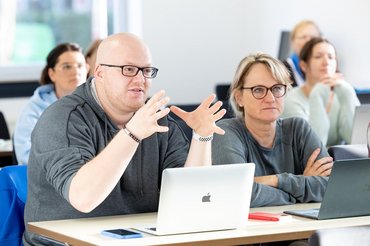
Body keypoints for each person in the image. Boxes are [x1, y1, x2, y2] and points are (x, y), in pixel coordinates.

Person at [23, 32, 226, 245]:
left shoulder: (158, 121)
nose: (140, 79)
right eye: (128, 70)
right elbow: (83, 198)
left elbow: (191, 201)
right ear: (99, 72)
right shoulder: (63, 119)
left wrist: (201, 137)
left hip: (137, 239)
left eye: (146, 70)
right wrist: (132, 133)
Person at [212, 53, 333, 208]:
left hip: (299, 227)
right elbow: (237, 193)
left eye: (277, 88)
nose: (270, 98)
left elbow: (331, 187)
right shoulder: (225, 131)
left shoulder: (298, 129)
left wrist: (275, 180)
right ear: (239, 98)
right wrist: (302, 185)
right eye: (258, 90)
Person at [13, 43, 88, 165]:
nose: (76, 71)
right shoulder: (35, 108)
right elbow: (25, 154)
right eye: (67, 67)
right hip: (48, 177)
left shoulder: (97, 105)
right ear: (52, 74)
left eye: (80, 66)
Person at [282, 37, 360, 146]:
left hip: (339, 162)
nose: (326, 62)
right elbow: (311, 148)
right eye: (318, 57)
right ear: (303, 65)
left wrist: (348, 94)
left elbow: (357, 140)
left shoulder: (342, 93)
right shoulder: (291, 100)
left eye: (331, 57)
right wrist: (317, 95)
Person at [284, 20, 321, 87]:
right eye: (304, 37)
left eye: (313, 38)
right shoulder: (281, 69)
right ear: (292, 42)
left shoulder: (324, 69)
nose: (308, 41)